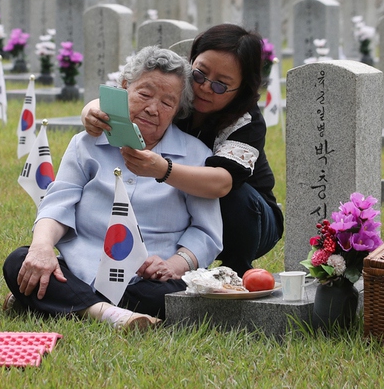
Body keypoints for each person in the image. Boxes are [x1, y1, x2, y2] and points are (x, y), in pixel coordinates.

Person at [2, 46, 222, 331]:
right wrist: (42, 248)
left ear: (178, 110)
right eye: (144, 94)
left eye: (168, 103)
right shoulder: (86, 144)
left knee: (179, 299)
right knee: (20, 261)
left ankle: (59, 303)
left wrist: (175, 265)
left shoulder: (196, 157)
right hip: (82, 268)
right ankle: (108, 313)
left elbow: (207, 231)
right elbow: (58, 203)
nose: (153, 109)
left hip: (150, 279)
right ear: (124, 88)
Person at [82, 24, 283, 275]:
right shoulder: (175, 94)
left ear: (241, 89)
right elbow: (131, 95)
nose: (205, 88)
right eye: (200, 74)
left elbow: (221, 183)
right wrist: (92, 109)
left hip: (251, 217)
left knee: (226, 192)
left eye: (221, 85)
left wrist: (163, 169)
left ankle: (235, 267)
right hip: (186, 202)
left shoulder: (245, 121)